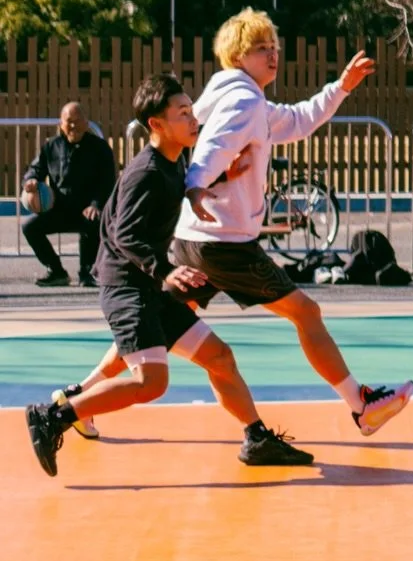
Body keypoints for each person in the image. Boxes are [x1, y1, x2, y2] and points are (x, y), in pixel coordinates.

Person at [25, 75, 312, 477]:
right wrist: (167, 271)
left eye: (191, 110)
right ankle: (53, 417)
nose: (193, 119)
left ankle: (256, 437)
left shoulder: (173, 160)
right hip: (126, 288)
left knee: (219, 357)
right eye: (182, 114)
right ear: (157, 125)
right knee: (152, 383)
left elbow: (179, 187)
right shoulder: (146, 172)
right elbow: (124, 234)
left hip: (147, 284)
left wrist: (221, 178)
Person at [169, 9, 413, 437]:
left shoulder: (240, 98)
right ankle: (360, 404)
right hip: (223, 242)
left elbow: (299, 120)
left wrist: (340, 88)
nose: (273, 54)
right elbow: (213, 153)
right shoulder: (244, 101)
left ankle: (78, 399)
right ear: (237, 56)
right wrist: (195, 186)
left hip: (195, 237)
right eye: (261, 48)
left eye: (274, 47)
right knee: (306, 311)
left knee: (158, 320)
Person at [19, 102, 116, 287]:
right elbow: (35, 170)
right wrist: (30, 181)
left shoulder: (100, 148)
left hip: (89, 209)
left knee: (93, 220)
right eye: (69, 121)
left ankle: (87, 272)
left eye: (78, 121)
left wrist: (95, 204)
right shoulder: (51, 147)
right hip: (60, 209)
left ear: (87, 123)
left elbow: (107, 183)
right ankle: (56, 271)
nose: (73, 126)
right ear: (61, 124)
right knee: (29, 227)